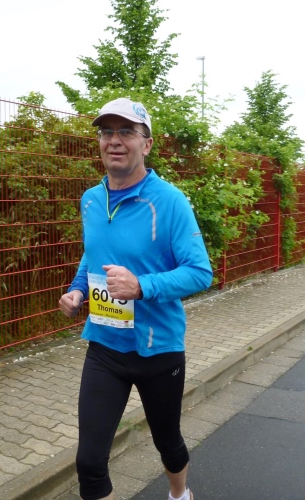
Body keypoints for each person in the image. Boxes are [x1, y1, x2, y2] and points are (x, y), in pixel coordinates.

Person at [58, 97, 212, 500]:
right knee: (89, 462)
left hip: (157, 348)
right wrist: (77, 289)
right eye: (106, 132)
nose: (114, 140)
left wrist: (141, 286)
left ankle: (179, 494)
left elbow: (200, 271)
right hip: (105, 345)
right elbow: (93, 254)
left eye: (126, 131)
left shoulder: (170, 201)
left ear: (146, 144)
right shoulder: (91, 199)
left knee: (167, 441)